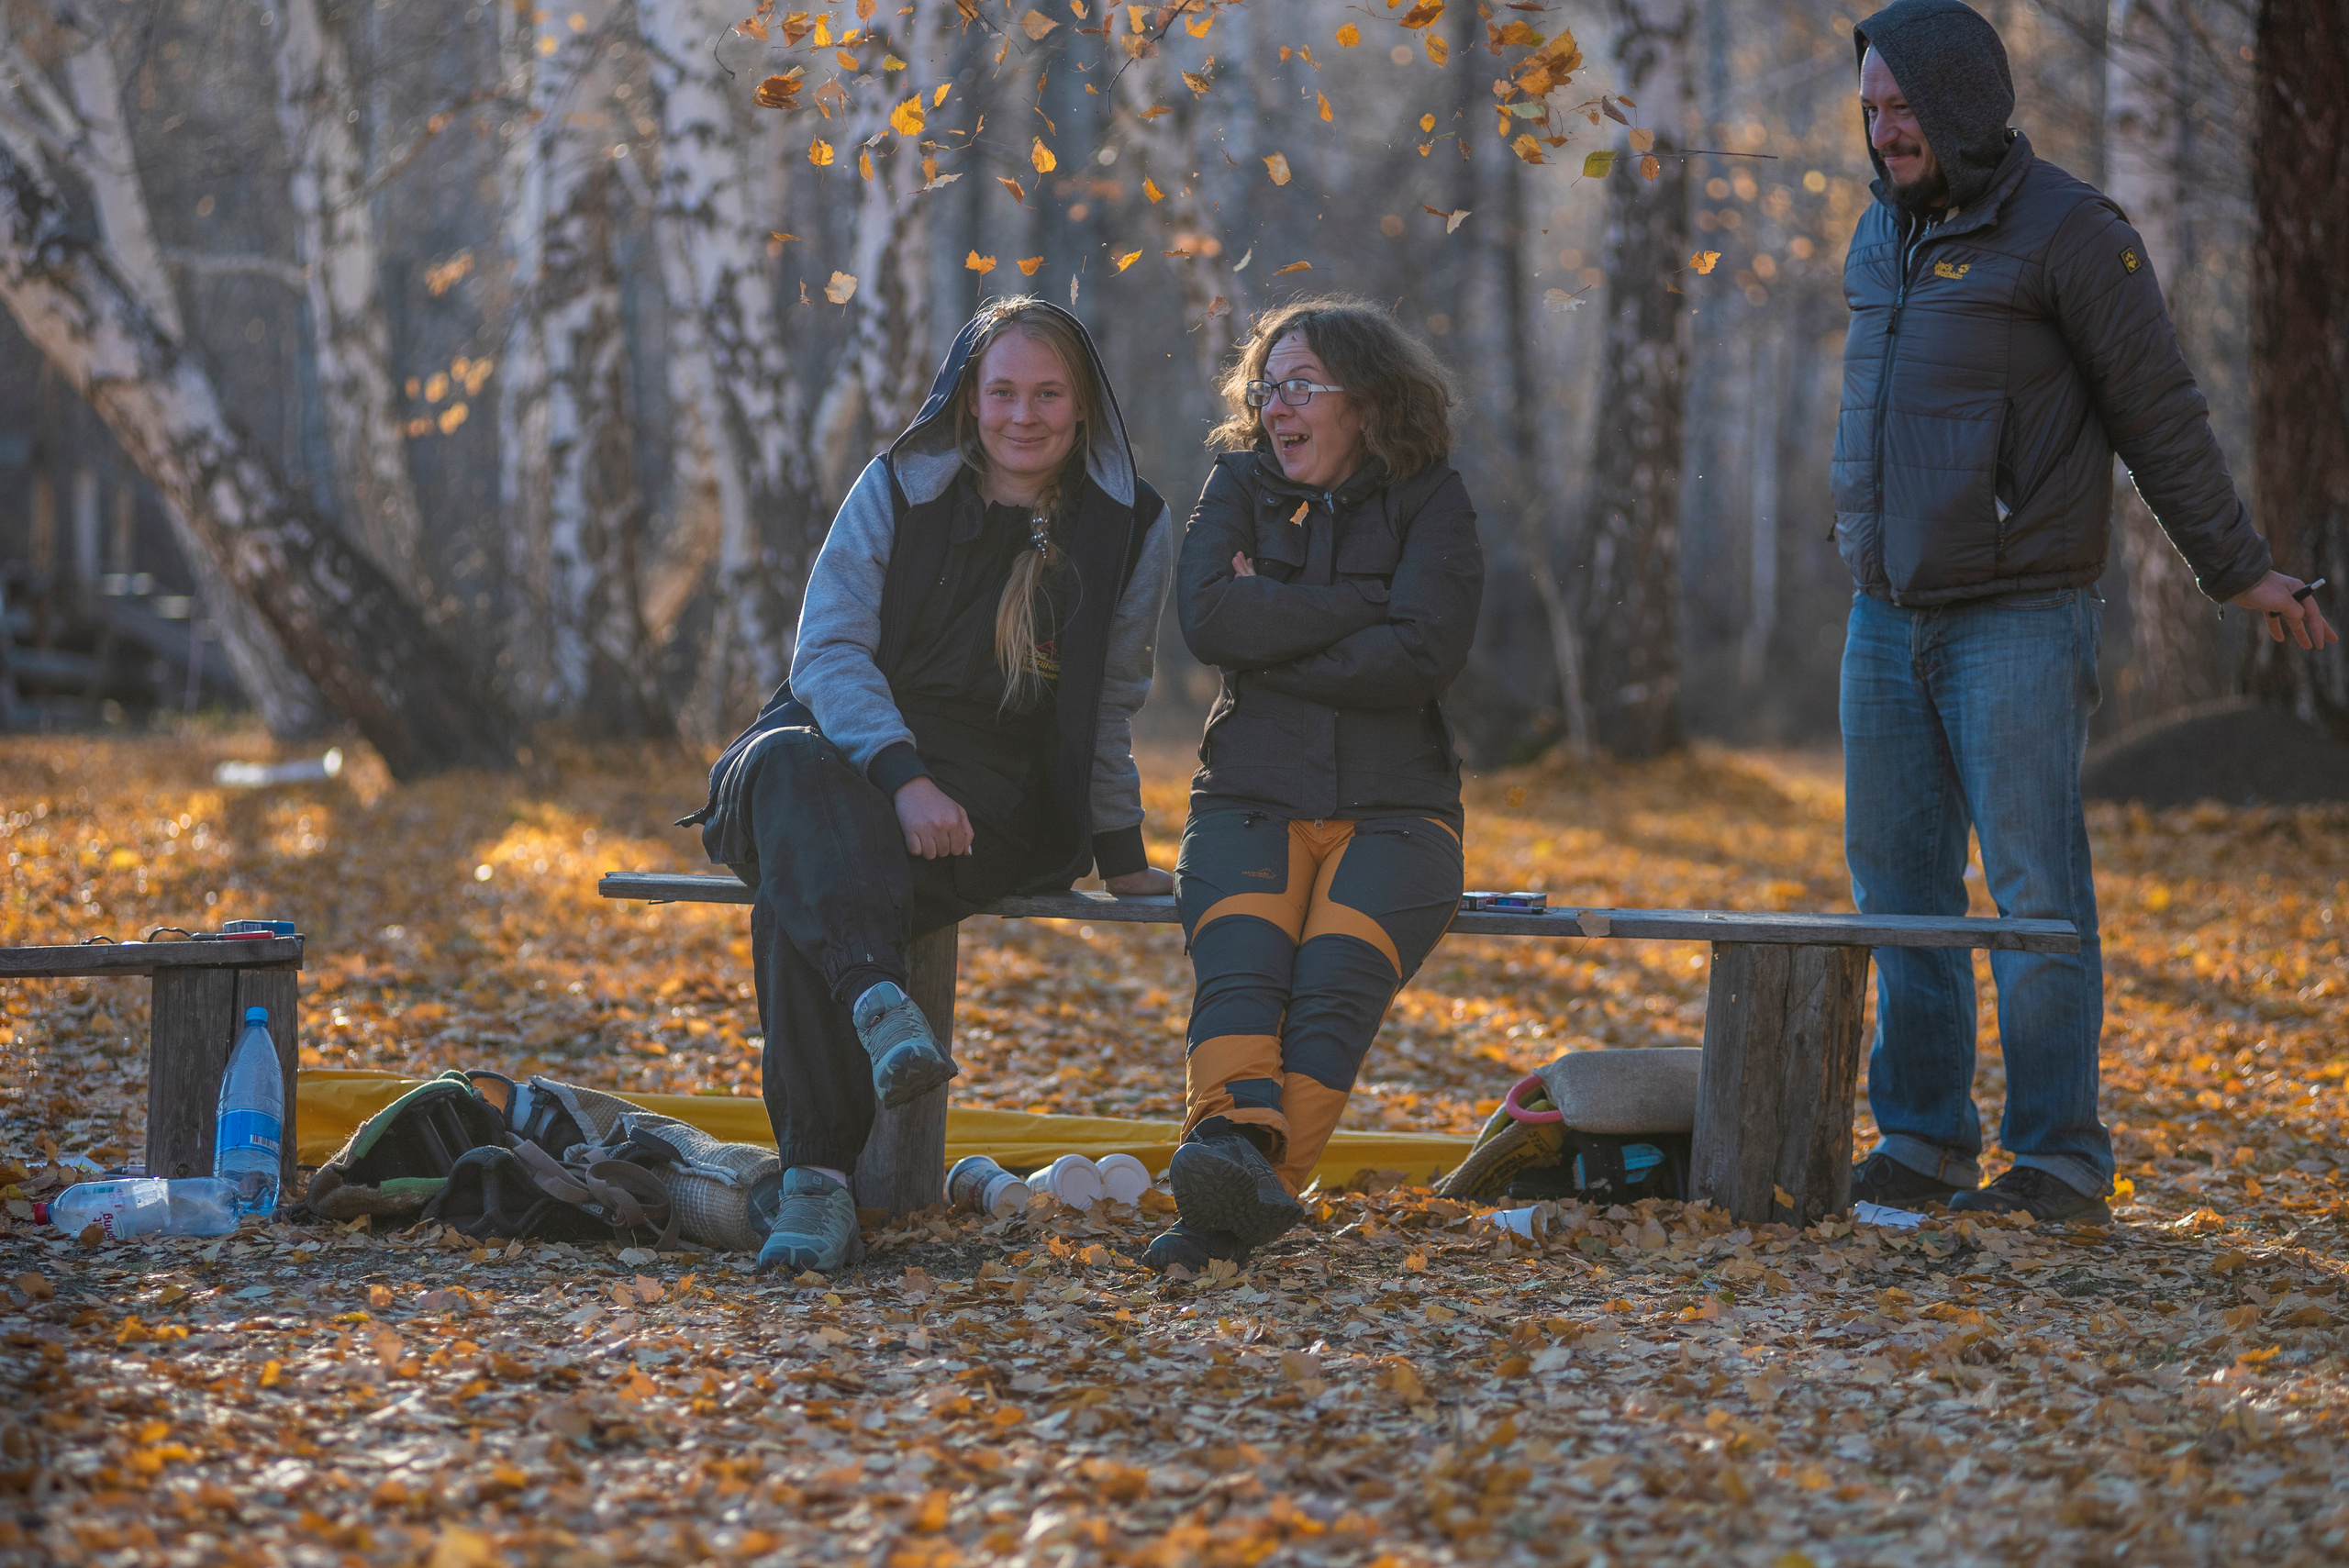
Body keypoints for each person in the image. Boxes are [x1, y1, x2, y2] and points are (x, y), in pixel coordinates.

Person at [1834, 0, 2338, 1223]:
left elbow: (2160, 413)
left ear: (1962, 102)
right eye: (1871, 109)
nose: (1883, 131)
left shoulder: (2073, 232)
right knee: (1900, 890)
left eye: (1903, 108)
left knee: (2034, 889)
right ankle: (1922, 1138)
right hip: (1886, 616)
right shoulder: (1879, 235)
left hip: (2020, 610)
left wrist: (2239, 570)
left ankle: (2058, 1155)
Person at [686, 298, 1174, 1273]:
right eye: (1002, 391)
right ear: (967, 396)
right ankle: (876, 998)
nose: (1022, 415)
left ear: (1083, 408)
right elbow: (826, 653)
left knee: (806, 892)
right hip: (838, 760)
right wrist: (901, 776)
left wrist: (1122, 855)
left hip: (994, 810)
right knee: (784, 770)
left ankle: (818, 1186)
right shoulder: (896, 487)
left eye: (1047, 393)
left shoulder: (1131, 524)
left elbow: (1112, 700)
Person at [1144, 296, 1484, 1273]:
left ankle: (1220, 1196)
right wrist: (1360, 607)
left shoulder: (1433, 499)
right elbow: (1210, 620)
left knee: (1331, 995)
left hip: (1399, 816)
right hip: (1247, 794)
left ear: (1367, 401)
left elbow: (1420, 656)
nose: (1274, 404)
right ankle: (1233, 1178)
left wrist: (1278, 623)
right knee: (1244, 977)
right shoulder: (1237, 483)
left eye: (1300, 385)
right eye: (1265, 386)